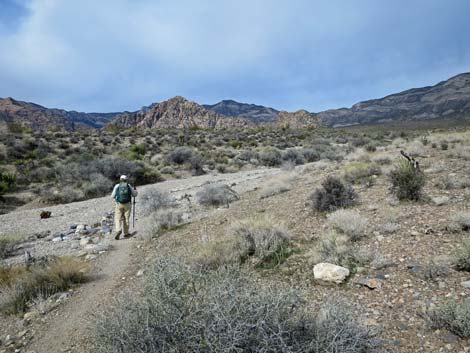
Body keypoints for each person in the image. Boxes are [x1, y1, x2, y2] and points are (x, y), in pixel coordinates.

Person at [111, 175, 138, 240]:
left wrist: (116, 199)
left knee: (117, 218)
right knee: (126, 218)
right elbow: (134, 195)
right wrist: (135, 191)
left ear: (120, 179)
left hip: (119, 204)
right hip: (127, 204)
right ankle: (126, 233)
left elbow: (112, 196)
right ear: (126, 180)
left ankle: (118, 230)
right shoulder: (128, 186)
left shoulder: (117, 186)